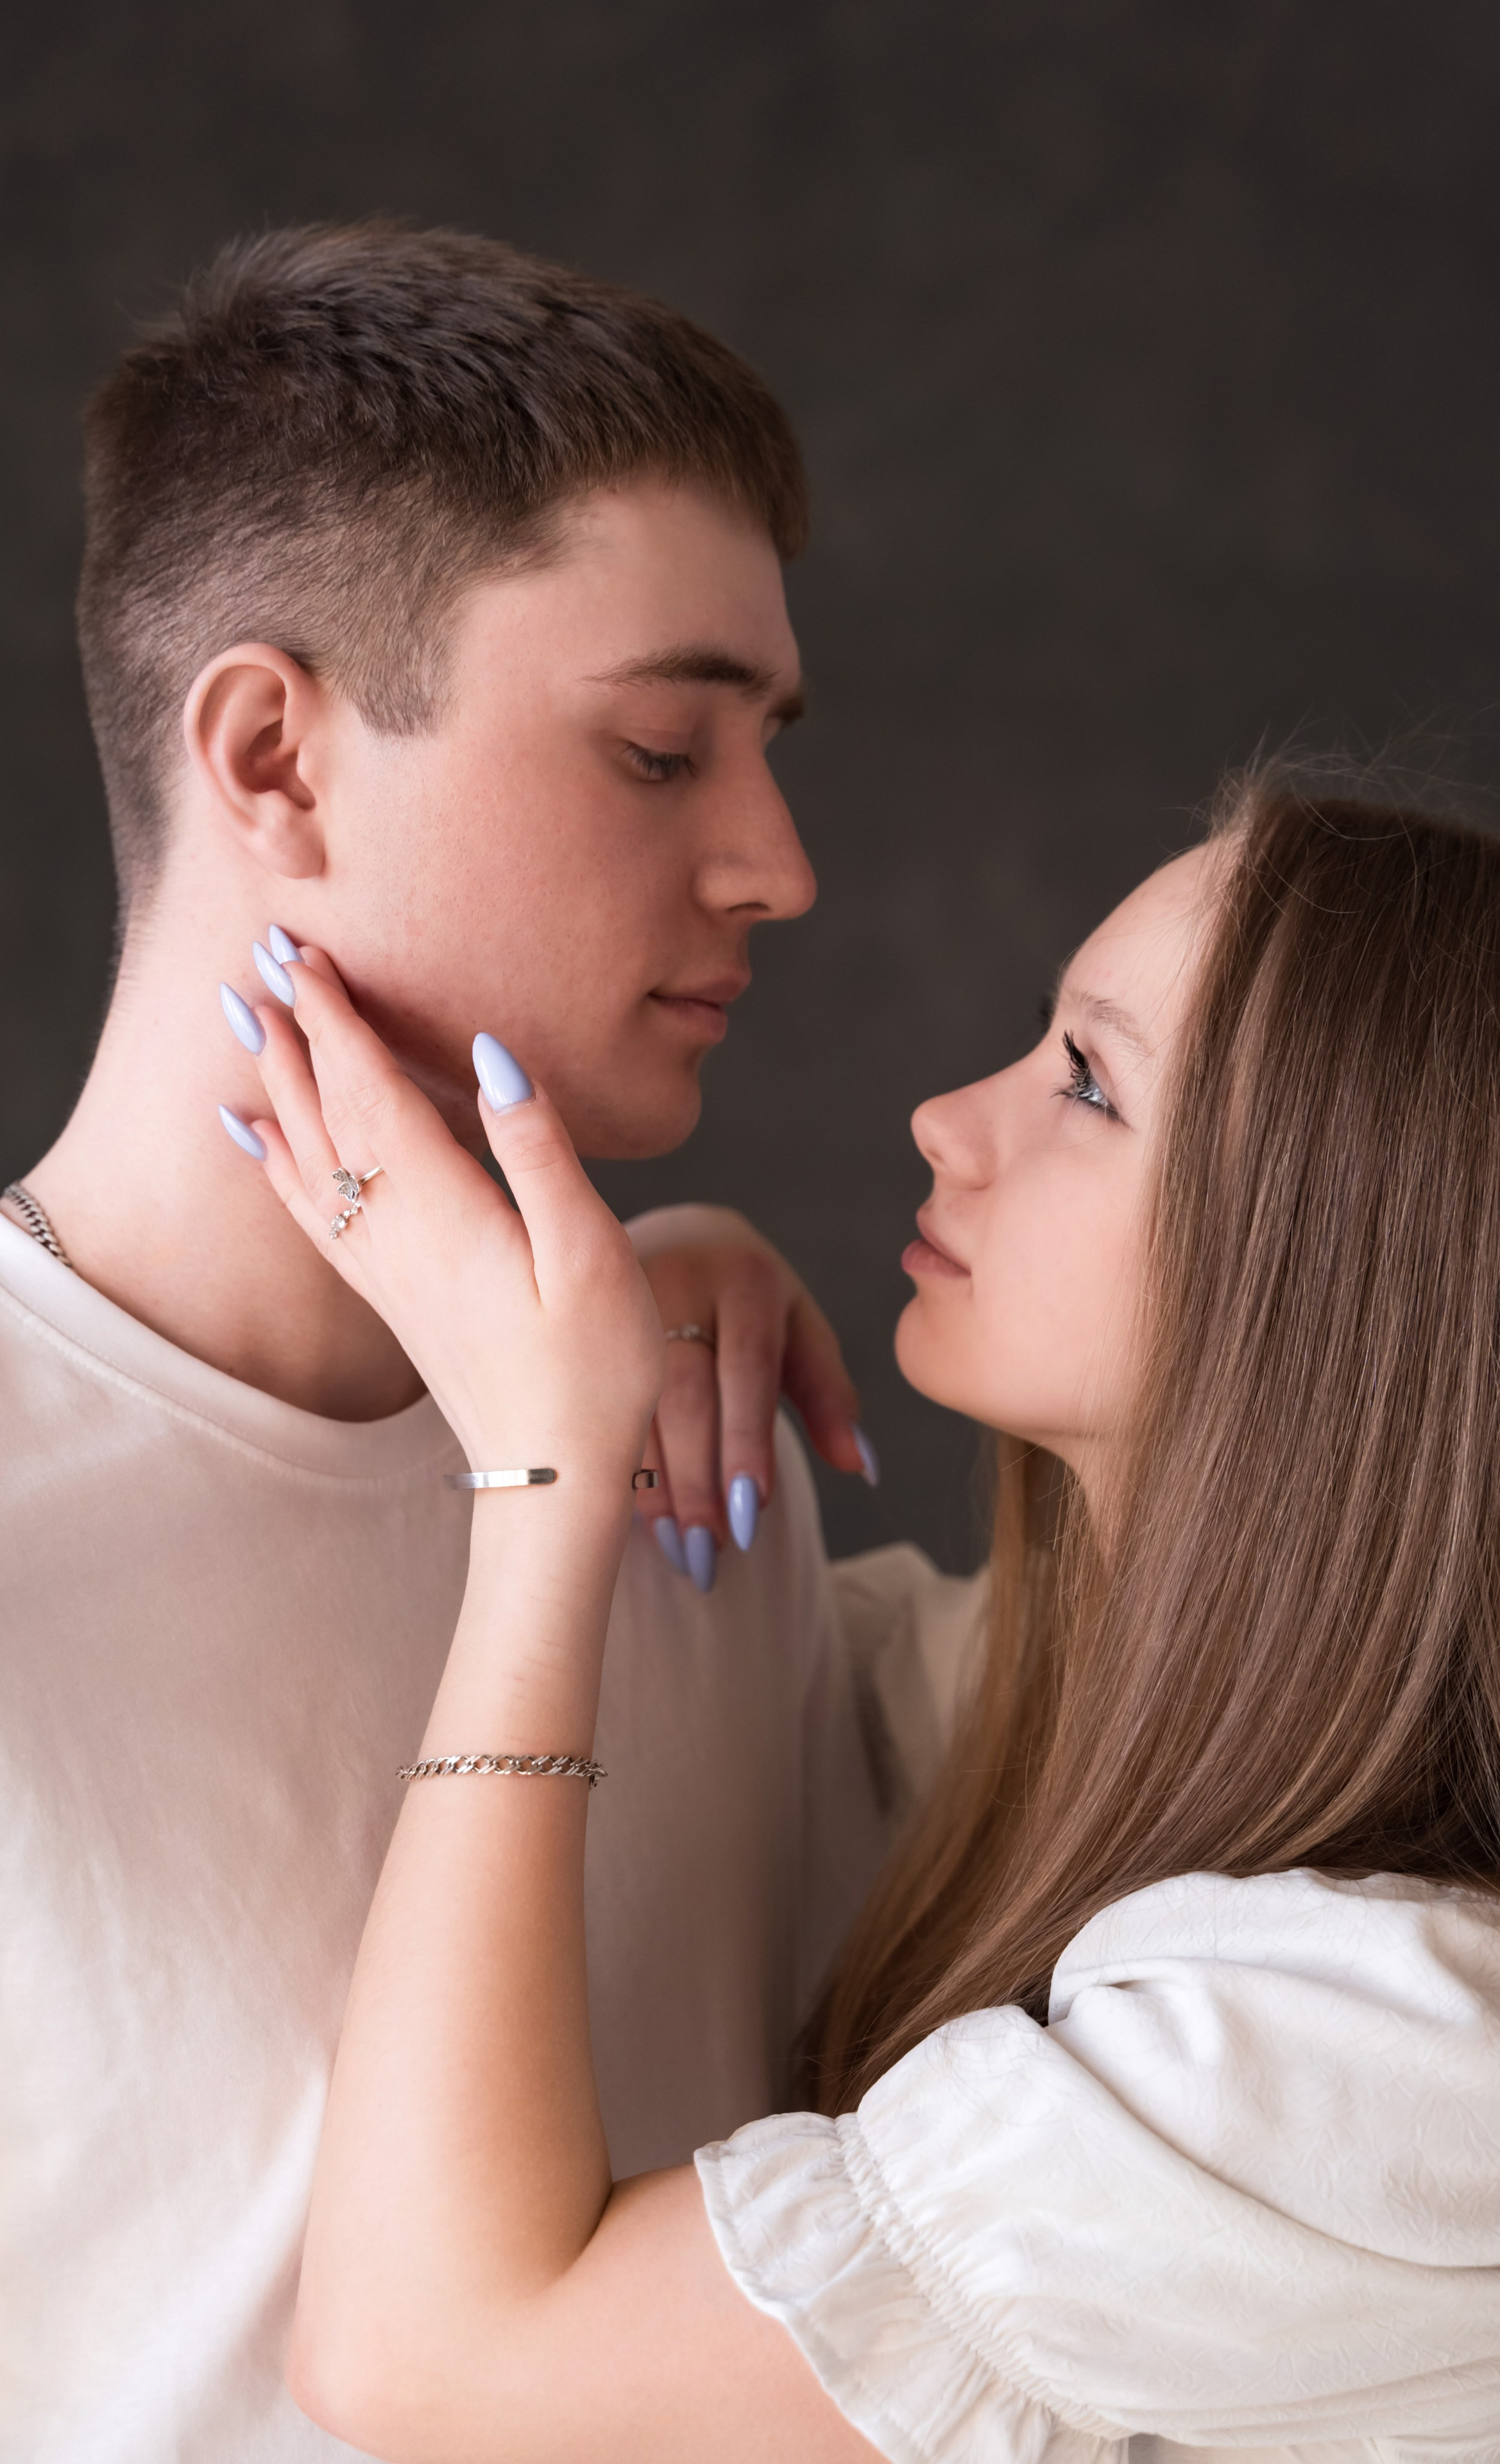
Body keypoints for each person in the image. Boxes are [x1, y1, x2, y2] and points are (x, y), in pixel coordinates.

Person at [268, 767, 1500, 2463]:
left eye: (1087, 1085)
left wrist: (545, 1484)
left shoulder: (1405, 2070)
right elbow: (745, 1715)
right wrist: (652, 1324)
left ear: (1350, 1274)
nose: (947, 1117)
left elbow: (423, 2356)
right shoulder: (1037, 1708)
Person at [0, 223, 894, 2462]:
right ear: (277, 757)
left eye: (765, 750)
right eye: (661, 751)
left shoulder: (697, 1462)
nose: (777, 863)